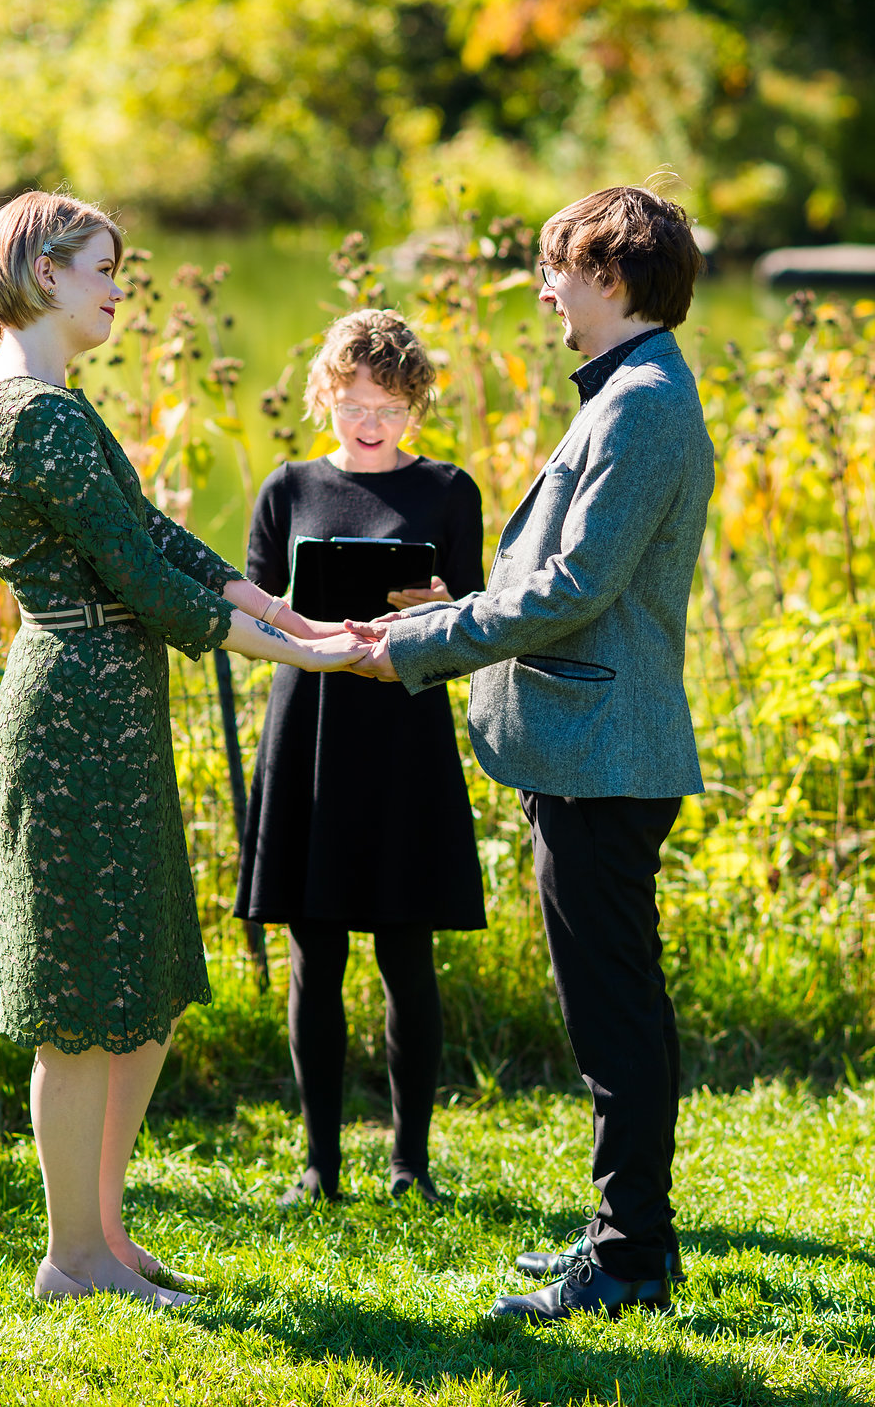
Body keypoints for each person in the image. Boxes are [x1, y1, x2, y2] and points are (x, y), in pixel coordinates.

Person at [0, 190, 369, 1307]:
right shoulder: (29, 413)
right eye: (103, 267)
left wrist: (278, 609)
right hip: (76, 708)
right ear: (43, 271)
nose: (118, 288)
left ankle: (104, 1234)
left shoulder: (50, 400)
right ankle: (71, 1258)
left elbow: (149, 535)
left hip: (110, 699)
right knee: (84, 995)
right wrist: (304, 658)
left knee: (137, 985)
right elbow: (138, 585)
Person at [348, 187, 714, 1321]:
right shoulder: (625, 392)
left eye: (554, 268)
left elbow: (574, 589)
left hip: (608, 751)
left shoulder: (645, 401)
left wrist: (415, 641)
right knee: (613, 1005)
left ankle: (627, 1259)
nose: (542, 288)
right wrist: (462, 603)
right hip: (588, 747)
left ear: (610, 275)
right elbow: (559, 581)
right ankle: (626, 1233)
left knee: (612, 1013)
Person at [234, 309, 486, 1205]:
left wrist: (440, 602)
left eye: (386, 401)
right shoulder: (286, 486)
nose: (368, 419)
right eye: (350, 401)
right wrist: (296, 615)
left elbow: (475, 619)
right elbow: (258, 606)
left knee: (406, 952)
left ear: (415, 402)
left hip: (404, 734)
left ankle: (409, 1163)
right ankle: (319, 1163)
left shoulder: (450, 491)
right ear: (324, 398)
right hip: (308, 731)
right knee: (316, 951)